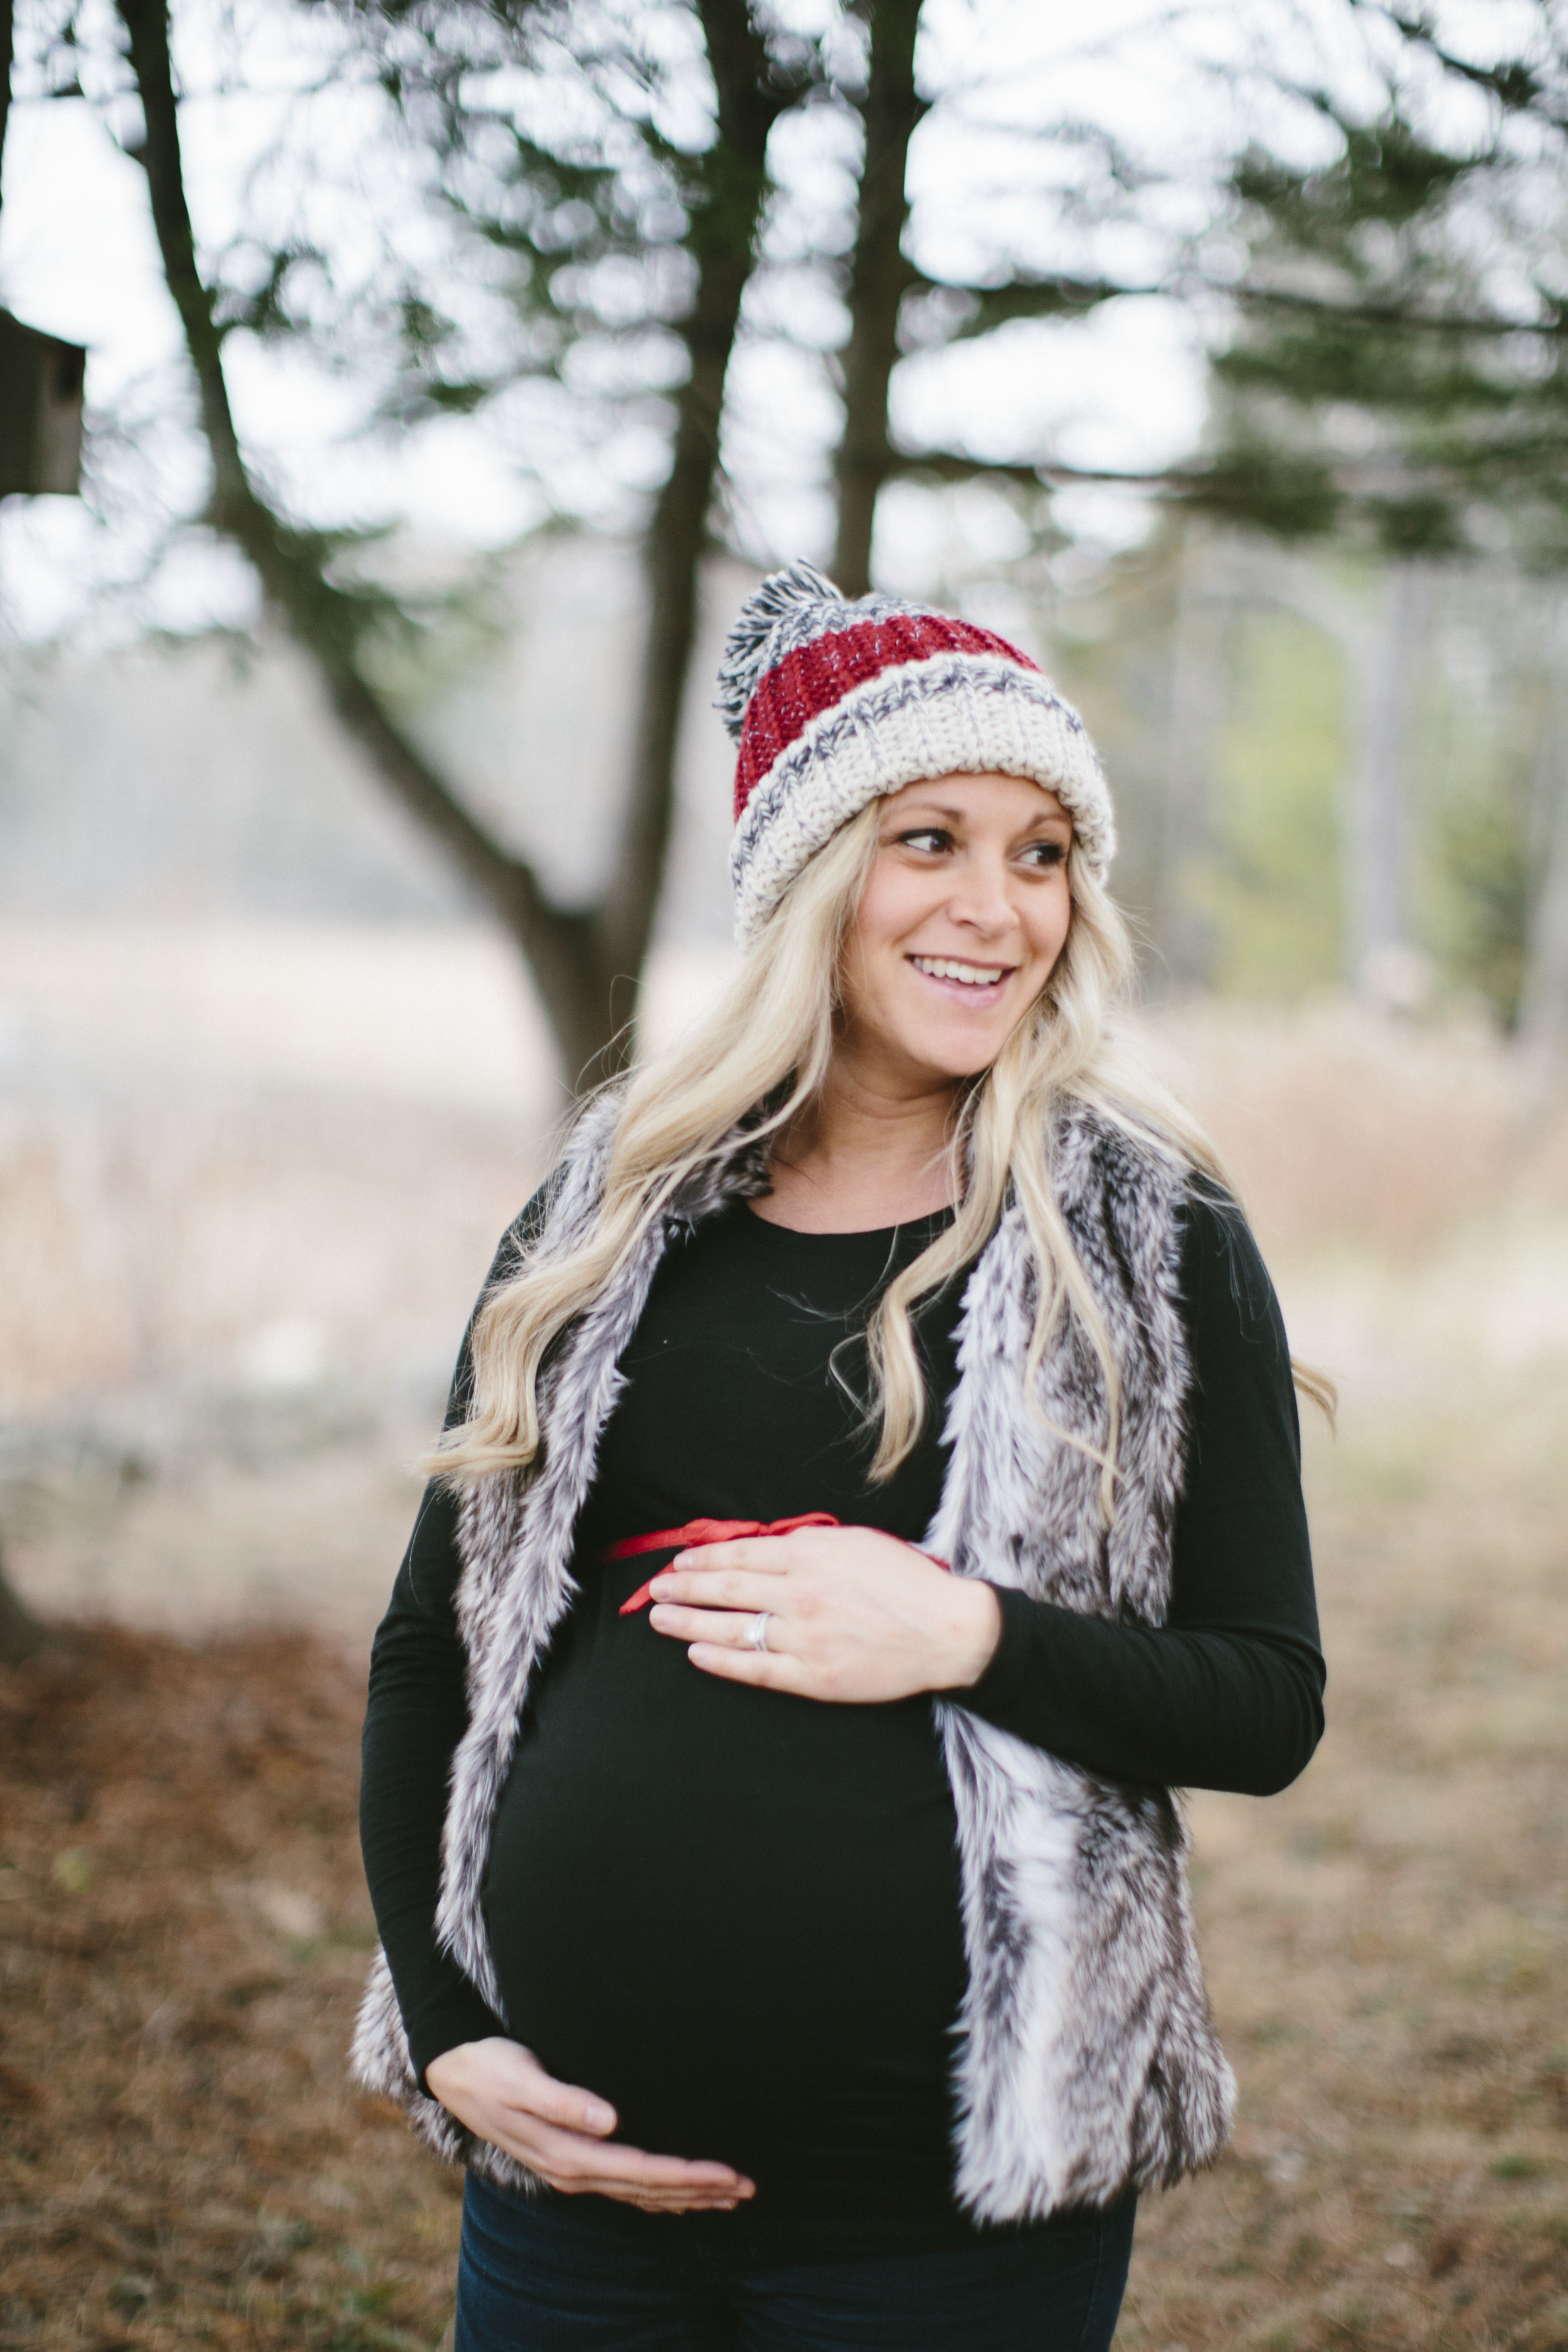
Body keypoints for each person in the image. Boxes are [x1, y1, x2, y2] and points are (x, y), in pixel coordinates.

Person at [353, 561, 1327, 2352]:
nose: (998, 908)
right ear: (810, 876)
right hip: (567, 2211)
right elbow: (434, 1649)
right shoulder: (612, 1210)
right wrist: (442, 2026)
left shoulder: (1145, 1237)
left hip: (939, 2232)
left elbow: (1264, 1702)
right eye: (929, 840)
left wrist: (964, 1634)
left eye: (1043, 853)